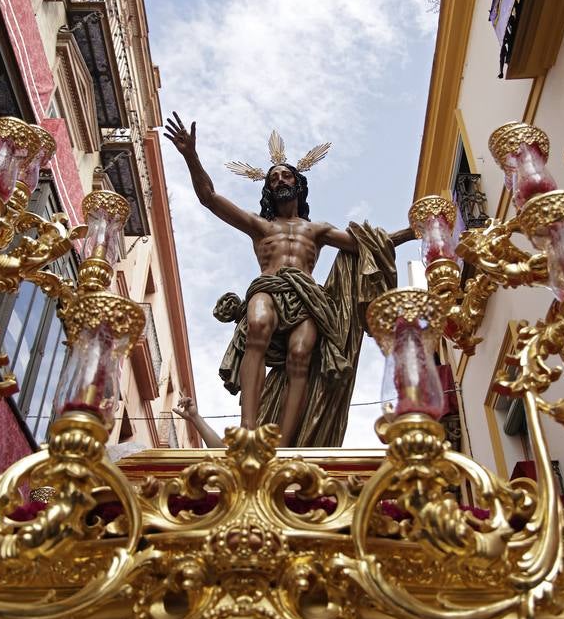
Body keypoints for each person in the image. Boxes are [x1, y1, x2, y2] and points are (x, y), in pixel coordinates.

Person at [165, 114, 413, 447]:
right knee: (258, 325)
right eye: (274, 178)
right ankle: (248, 429)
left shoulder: (317, 230)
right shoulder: (259, 226)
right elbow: (209, 197)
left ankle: (284, 442)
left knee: (301, 355)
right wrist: (190, 156)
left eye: (286, 175)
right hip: (269, 287)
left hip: (308, 298)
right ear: (268, 189)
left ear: (298, 184)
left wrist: (412, 233)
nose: (280, 179)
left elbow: (368, 244)